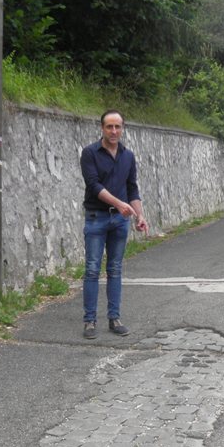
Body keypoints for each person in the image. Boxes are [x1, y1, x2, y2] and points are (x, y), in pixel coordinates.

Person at [78, 110, 149, 340]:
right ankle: (89, 321)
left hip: (120, 221)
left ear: (123, 128)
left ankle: (114, 319)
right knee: (91, 269)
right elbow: (94, 186)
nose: (114, 131)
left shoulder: (128, 156)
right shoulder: (90, 153)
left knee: (115, 269)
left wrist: (139, 215)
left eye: (117, 127)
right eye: (109, 126)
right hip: (96, 218)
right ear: (102, 128)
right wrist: (120, 204)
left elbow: (132, 188)